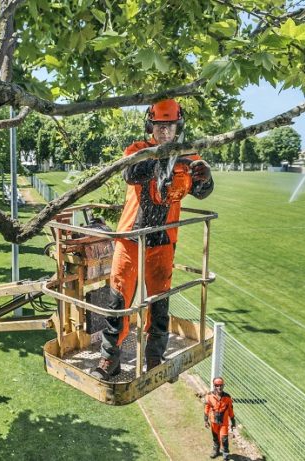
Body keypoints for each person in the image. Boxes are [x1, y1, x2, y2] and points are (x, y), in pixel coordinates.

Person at [91, 98, 214, 380]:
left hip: (163, 239)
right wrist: (159, 163)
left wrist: (204, 178)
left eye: (170, 127)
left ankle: (155, 357)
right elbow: (130, 172)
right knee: (118, 301)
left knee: (160, 302)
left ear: (178, 126)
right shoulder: (138, 150)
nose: (165, 132)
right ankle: (109, 359)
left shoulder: (188, 156)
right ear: (151, 126)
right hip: (131, 237)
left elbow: (203, 190)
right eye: (160, 127)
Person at [205, 377, 236, 460]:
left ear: (223, 385)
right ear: (214, 386)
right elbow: (207, 407)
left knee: (224, 439)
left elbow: (230, 410)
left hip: (224, 423)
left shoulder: (227, 397)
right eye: (217, 385)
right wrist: (205, 420)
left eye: (221, 385)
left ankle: (226, 454)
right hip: (213, 422)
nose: (219, 387)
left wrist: (233, 421)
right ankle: (216, 451)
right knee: (215, 438)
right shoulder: (209, 396)